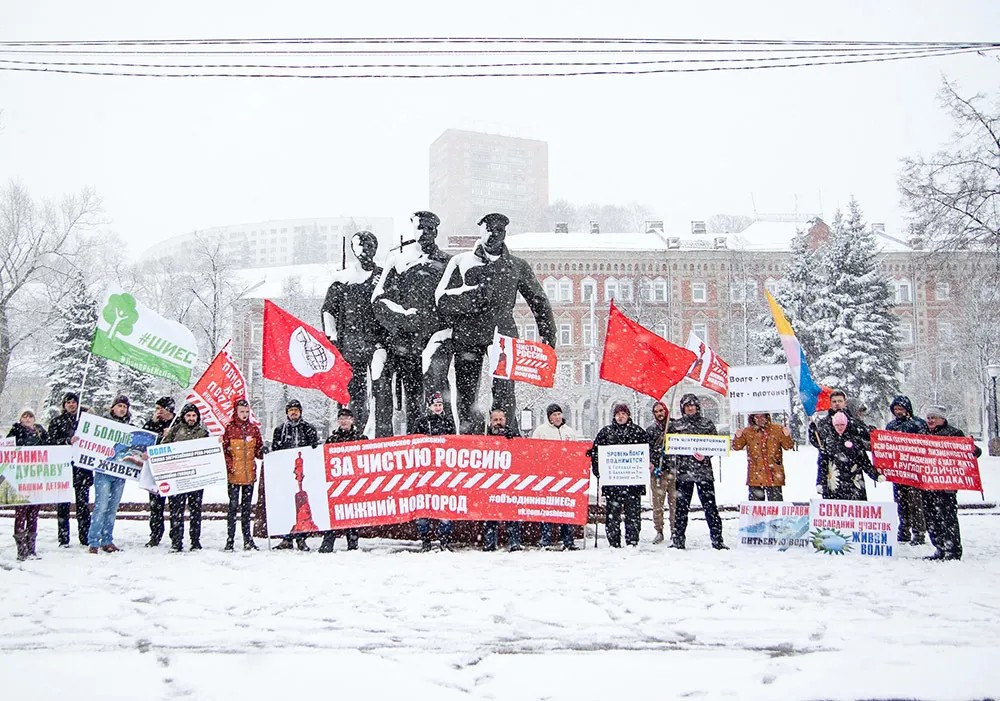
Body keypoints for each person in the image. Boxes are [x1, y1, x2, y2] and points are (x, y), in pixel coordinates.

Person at [436, 212, 556, 434]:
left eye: (498, 230)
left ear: (505, 233)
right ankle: (470, 437)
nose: (493, 234)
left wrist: (548, 334)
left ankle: (504, 434)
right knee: (467, 392)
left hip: (503, 335)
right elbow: (441, 300)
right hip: (468, 335)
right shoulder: (460, 262)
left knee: (504, 391)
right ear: (480, 230)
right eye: (489, 229)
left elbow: (538, 300)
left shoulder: (517, 266)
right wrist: (472, 296)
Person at [372, 211, 454, 431]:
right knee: (414, 397)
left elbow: (456, 301)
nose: (425, 232)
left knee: (438, 389)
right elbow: (380, 300)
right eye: (420, 227)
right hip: (407, 342)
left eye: (429, 228)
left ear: (436, 231)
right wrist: (402, 317)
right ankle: (416, 444)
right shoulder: (399, 261)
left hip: (437, 338)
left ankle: (446, 441)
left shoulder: (448, 263)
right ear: (413, 230)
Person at [321, 230, 393, 438]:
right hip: (350, 346)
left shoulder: (383, 277)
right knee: (353, 395)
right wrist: (332, 338)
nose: (365, 250)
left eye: (369, 246)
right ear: (353, 249)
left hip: (378, 344)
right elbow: (328, 311)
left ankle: (383, 437)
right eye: (360, 246)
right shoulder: (342, 279)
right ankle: (352, 435)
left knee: (382, 393)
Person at [669, 394, 727, 550]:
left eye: (693, 405)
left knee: (710, 508)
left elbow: (715, 445)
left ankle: (717, 540)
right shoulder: (676, 425)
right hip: (683, 473)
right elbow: (670, 446)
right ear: (683, 408)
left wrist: (705, 455)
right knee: (681, 509)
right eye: (687, 405)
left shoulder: (707, 424)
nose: (690, 408)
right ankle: (678, 540)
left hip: (704, 472)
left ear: (697, 407)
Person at [922, 405, 980, 561]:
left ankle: (952, 550)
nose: (930, 421)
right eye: (928, 418)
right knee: (931, 518)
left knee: (947, 518)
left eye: (933, 417)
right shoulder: (922, 434)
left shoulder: (954, 433)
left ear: (942, 419)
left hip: (946, 485)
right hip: (928, 485)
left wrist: (972, 450)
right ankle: (939, 548)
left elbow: (974, 451)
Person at [591, 402, 649, 548]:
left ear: (628, 415)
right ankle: (614, 541)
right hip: (613, 484)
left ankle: (632, 540)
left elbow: (647, 453)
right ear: (614, 416)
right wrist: (598, 470)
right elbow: (596, 453)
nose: (621, 416)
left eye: (623, 413)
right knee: (612, 513)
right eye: (618, 414)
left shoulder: (638, 432)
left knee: (633, 513)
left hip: (633, 483)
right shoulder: (606, 432)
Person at [271, 399, 319, 551]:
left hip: (304, 473)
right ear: (287, 413)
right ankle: (286, 537)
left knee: (302, 505)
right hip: (287, 473)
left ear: (300, 412)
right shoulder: (280, 430)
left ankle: (301, 537)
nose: (293, 413)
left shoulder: (309, 428)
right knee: (287, 504)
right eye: (291, 410)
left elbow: (314, 450)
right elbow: (275, 450)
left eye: (296, 410)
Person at [161, 403, 210, 552]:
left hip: (196, 478)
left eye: (194, 415)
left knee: (196, 510)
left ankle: (195, 540)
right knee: (176, 510)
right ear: (183, 416)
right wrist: (163, 437)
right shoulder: (175, 430)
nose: (191, 418)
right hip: (177, 478)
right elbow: (163, 447)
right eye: (188, 415)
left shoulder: (202, 432)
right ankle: (176, 541)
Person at [531, 403, 580, 550]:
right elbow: (534, 451)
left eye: (559, 414)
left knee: (565, 507)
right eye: (554, 415)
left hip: (565, 475)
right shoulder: (541, 431)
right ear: (549, 417)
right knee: (547, 506)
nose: (557, 417)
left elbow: (575, 452)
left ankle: (568, 539)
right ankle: (545, 538)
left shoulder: (569, 432)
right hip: (548, 475)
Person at [87, 395, 132, 554]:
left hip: (120, 473)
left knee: (112, 508)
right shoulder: (103, 423)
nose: (122, 409)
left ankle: (107, 539)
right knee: (101, 506)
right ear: (113, 407)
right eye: (119, 406)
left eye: (125, 407)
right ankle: (93, 540)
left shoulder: (130, 427)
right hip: (103, 471)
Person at [411, 391, 456, 551]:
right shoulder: (421, 422)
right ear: (429, 406)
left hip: (443, 470)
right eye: (435, 405)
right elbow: (414, 443)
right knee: (424, 506)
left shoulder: (449, 422)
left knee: (445, 505)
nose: (438, 407)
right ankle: (426, 540)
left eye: (440, 404)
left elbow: (455, 444)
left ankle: (444, 539)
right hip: (425, 471)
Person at [319, 408, 367, 553]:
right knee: (334, 513)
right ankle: (328, 541)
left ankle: (353, 542)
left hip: (354, 483)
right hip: (336, 484)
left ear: (352, 420)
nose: (344, 421)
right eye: (342, 418)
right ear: (338, 421)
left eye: (347, 418)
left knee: (352, 513)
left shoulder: (360, 438)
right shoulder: (332, 439)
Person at [48, 392, 92, 547]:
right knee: (63, 506)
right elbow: (50, 442)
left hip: (82, 469)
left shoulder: (86, 420)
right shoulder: (57, 421)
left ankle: (85, 536)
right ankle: (63, 538)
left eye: (74, 402)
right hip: (64, 469)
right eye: (68, 402)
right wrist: (67, 441)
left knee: (83, 506)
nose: (72, 405)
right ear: (64, 405)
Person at [885, 395, 929, 545]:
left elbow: (925, 444)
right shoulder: (891, 426)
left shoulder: (918, 424)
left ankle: (918, 531)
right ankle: (904, 529)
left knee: (916, 503)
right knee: (900, 502)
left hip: (915, 471)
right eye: (896, 409)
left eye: (901, 409)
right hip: (898, 471)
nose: (898, 412)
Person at [221, 398, 263, 551]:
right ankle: (230, 539)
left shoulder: (253, 429)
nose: (244, 414)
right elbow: (225, 451)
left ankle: (247, 539)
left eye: (246, 412)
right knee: (233, 507)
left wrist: (262, 452)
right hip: (234, 475)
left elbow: (258, 451)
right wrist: (230, 466)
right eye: (241, 412)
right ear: (236, 412)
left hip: (249, 475)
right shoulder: (230, 429)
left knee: (246, 509)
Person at [7, 409, 49, 560]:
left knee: (34, 513)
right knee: (21, 512)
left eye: (30, 416)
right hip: (22, 477)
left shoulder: (40, 431)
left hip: (37, 476)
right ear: (20, 419)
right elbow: (7, 449)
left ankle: (31, 547)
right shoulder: (15, 431)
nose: (28, 418)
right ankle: (21, 549)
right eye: (24, 416)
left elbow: (50, 447)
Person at [815, 410, 881, 500]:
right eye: (837, 425)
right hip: (835, 484)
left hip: (854, 484)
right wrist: (820, 482)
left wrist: (875, 475)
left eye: (842, 425)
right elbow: (822, 465)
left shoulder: (855, 441)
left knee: (857, 511)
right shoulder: (828, 443)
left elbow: (864, 462)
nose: (839, 427)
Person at [482, 408, 522, 552]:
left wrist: (514, 440)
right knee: (489, 512)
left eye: (501, 420)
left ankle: (514, 541)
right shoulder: (484, 435)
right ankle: (490, 541)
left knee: (511, 512)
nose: (498, 423)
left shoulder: (513, 435)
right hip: (490, 481)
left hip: (508, 480)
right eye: (495, 420)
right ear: (491, 421)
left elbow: (523, 453)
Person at [732, 413, 794, 501]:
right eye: (756, 417)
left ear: (766, 416)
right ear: (752, 418)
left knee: (775, 508)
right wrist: (738, 437)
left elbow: (788, 446)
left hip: (774, 475)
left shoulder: (777, 429)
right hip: (755, 476)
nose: (759, 419)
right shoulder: (747, 431)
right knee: (756, 509)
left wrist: (786, 436)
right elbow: (737, 447)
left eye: (762, 416)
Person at [142, 396, 176, 547]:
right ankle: (155, 534)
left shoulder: (177, 423)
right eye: (156, 409)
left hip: (173, 468)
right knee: (155, 506)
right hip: (155, 469)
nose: (158, 412)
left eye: (160, 408)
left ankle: (175, 535)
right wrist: (152, 423)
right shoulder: (153, 424)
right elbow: (143, 439)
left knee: (175, 505)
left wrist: (172, 433)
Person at [644, 401, 675, 544]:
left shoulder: (674, 427)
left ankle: (675, 530)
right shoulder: (650, 430)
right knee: (657, 504)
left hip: (674, 471)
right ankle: (659, 530)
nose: (659, 414)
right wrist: (650, 462)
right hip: (657, 472)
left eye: (661, 410)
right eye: (656, 412)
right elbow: (646, 450)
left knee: (675, 504)